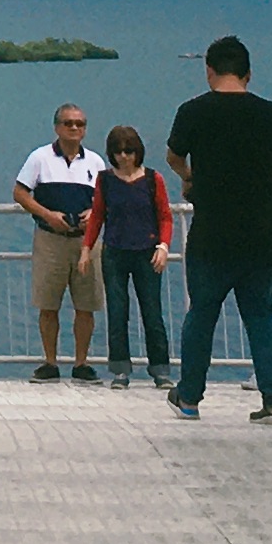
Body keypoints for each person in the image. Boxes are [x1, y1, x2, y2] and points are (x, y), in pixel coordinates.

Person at [164, 35, 272, 424]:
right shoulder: (270, 113)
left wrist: (189, 177)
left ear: (209, 70)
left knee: (202, 314)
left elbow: (173, 155)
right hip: (262, 232)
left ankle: (189, 397)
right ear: (248, 73)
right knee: (261, 317)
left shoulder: (192, 111)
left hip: (212, 232)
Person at [12, 104, 107, 381]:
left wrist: (94, 213)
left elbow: (105, 199)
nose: (74, 128)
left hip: (86, 242)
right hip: (50, 240)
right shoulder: (39, 158)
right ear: (57, 127)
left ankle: (81, 363)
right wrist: (48, 215)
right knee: (48, 303)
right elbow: (20, 193)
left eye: (79, 123)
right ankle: (50, 363)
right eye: (68, 123)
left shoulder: (95, 162)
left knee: (86, 305)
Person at [84, 124, 174, 385]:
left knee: (152, 312)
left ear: (138, 152)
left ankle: (160, 369)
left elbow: (165, 216)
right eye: (118, 152)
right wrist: (86, 249)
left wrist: (163, 246)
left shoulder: (153, 180)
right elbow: (97, 216)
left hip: (147, 252)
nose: (124, 157)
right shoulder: (105, 180)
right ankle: (120, 369)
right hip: (115, 252)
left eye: (129, 151)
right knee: (117, 311)